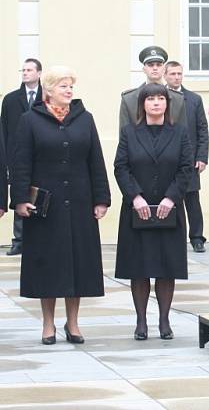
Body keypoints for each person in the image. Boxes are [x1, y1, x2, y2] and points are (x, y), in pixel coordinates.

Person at [11, 66, 110, 345]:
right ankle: (48, 324)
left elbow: (96, 161)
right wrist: (20, 199)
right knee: (47, 264)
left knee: (77, 263)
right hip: (45, 206)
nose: (68, 91)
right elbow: (21, 162)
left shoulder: (84, 119)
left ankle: (74, 323)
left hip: (80, 201)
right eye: (63, 86)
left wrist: (101, 199)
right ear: (49, 91)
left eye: (71, 86)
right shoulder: (30, 120)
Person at [114, 84, 193, 340]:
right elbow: (121, 167)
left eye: (161, 98)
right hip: (138, 211)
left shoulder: (179, 133)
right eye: (151, 99)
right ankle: (140, 322)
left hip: (169, 211)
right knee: (139, 268)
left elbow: (185, 168)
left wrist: (171, 197)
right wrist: (134, 196)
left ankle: (164, 320)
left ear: (167, 104)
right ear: (143, 104)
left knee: (166, 268)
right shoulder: (130, 133)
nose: (156, 103)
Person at [164, 61, 209, 253]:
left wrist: (202, 156)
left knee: (192, 199)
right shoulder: (158, 98)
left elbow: (202, 129)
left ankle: (197, 237)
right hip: (166, 159)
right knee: (169, 199)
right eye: (172, 74)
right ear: (165, 76)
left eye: (179, 74)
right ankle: (172, 236)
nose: (176, 77)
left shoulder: (194, 99)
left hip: (189, 159)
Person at [1, 58, 42, 256]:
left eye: (29, 70)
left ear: (39, 73)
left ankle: (39, 239)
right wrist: (8, 159)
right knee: (20, 193)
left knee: (39, 196)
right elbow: (5, 132)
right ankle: (18, 240)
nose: (25, 73)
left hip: (42, 155)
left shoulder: (47, 97)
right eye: (23, 70)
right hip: (17, 155)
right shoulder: (10, 100)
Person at [119, 46, 185, 128]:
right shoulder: (128, 99)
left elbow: (183, 134)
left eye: (159, 65)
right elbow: (124, 135)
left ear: (164, 69)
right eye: (150, 65)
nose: (155, 68)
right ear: (144, 69)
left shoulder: (178, 98)